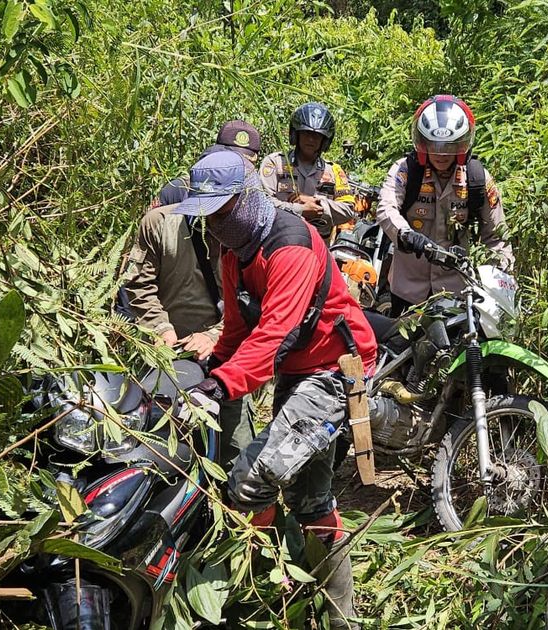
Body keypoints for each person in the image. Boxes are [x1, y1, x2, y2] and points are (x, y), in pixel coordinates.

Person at [168, 150, 375, 630]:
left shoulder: (290, 244)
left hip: (334, 369)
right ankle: (300, 607)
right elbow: (239, 331)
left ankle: (259, 601)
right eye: (207, 217)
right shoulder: (235, 255)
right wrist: (209, 374)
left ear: (246, 200)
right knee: (310, 500)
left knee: (254, 475)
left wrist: (219, 387)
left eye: (221, 212)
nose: (215, 226)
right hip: (297, 372)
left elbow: (276, 334)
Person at [121, 120, 262, 469]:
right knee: (152, 451)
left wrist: (213, 337)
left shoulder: (249, 236)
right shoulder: (158, 223)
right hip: (162, 357)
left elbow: (256, 304)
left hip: (223, 356)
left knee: (234, 454)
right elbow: (138, 285)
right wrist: (161, 331)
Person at [375, 95, 514, 317]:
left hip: (455, 292)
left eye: (450, 146)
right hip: (408, 289)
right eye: (433, 144)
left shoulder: (477, 179)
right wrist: (406, 234)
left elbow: (497, 236)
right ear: (421, 143)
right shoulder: (405, 170)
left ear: (463, 145)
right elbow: (386, 207)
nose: (441, 153)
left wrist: (503, 279)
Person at [260, 102, 357, 238]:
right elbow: (262, 203)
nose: (311, 139)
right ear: (296, 135)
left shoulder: (334, 170)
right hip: (279, 240)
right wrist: (299, 209)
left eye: (317, 136)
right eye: (306, 133)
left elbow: (348, 209)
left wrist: (318, 204)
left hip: (317, 246)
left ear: (325, 140)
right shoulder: (275, 162)